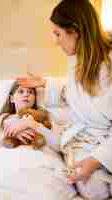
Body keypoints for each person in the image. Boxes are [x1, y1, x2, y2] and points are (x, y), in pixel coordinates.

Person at [15, 0, 112, 199]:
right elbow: (80, 95)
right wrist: (44, 83)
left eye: (58, 34)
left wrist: (95, 161)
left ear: (74, 30)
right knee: (90, 186)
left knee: (95, 188)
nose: (56, 41)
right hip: (85, 139)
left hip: (103, 144)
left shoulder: (108, 66)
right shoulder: (77, 59)